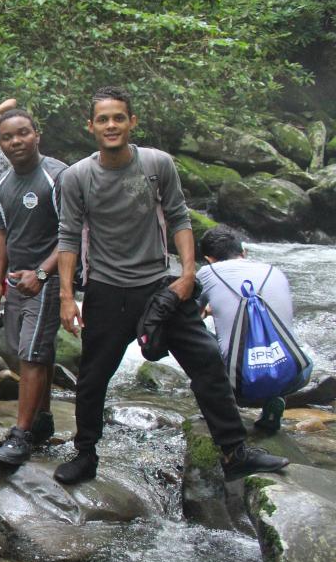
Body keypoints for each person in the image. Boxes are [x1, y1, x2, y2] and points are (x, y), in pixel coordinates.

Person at [56, 86, 289, 484]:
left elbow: (180, 219)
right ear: (90, 126)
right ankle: (85, 455)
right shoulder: (77, 176)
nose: (111, 125)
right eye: (102, 119)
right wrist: (66, 297)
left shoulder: (157, 164)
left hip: (160, 285)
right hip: (107, 290)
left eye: (118, 118)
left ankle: (234, 452)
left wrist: (185, 275)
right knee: (94, 377)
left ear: (132, 122)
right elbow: (68, 236)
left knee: (207, 361)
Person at [0, 109, 67, 465]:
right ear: (0, 144)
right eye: (8, 137)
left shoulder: (57, 176)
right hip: (17, 279)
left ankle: (20, 434)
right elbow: (1, 234)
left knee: (32, 353)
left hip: (48, 280)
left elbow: (73, 233)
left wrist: (44, 274)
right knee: (28, 350)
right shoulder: (3, 184)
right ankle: (43, 419)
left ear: (37, 134)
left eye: (23, 134)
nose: (16, 142)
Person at [197, 224, 299, 434]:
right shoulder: (274, 271)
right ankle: (274, 400)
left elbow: (190, 318)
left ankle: (223, 411)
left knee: (193, 338)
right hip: (294, 374)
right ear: (244, 252)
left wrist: (209, 311)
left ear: (209, 258)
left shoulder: (207, 273)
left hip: (240, 384)